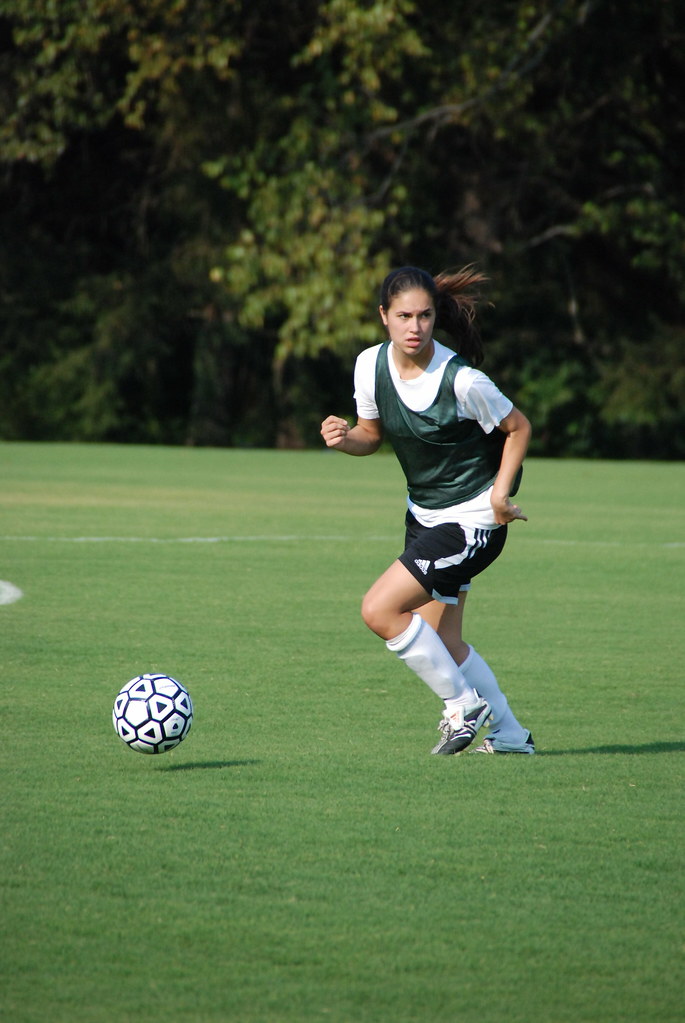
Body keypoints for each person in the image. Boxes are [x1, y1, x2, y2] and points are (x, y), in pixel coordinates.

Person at [321, 265, 534, 756]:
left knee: (378, 609)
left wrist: (500, 495)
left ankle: (462, 707)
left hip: (472, 521)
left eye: (424, 316)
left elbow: (518, 428)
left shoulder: (462, 380)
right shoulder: (369, 366)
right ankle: (510, 737)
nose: (414, 326)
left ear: (435, 317)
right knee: (444, 641)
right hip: (424, 517)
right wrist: (343, 439)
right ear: (384, 317)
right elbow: (370, 437)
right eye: (404, 316)